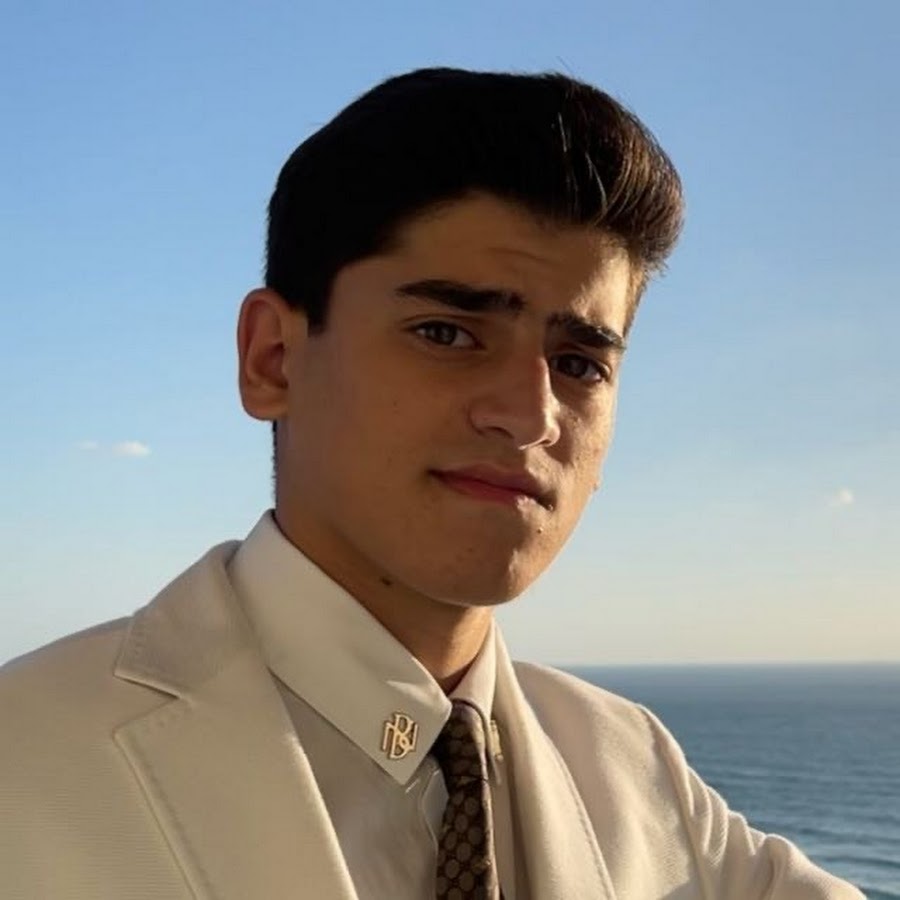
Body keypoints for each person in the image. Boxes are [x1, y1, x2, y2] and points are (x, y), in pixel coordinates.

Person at [0, 68, 863, 900]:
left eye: (578, 364)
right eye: (447, 333)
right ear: (273, 358)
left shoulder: (636, 770)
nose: (530, 416)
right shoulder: (27, 759)